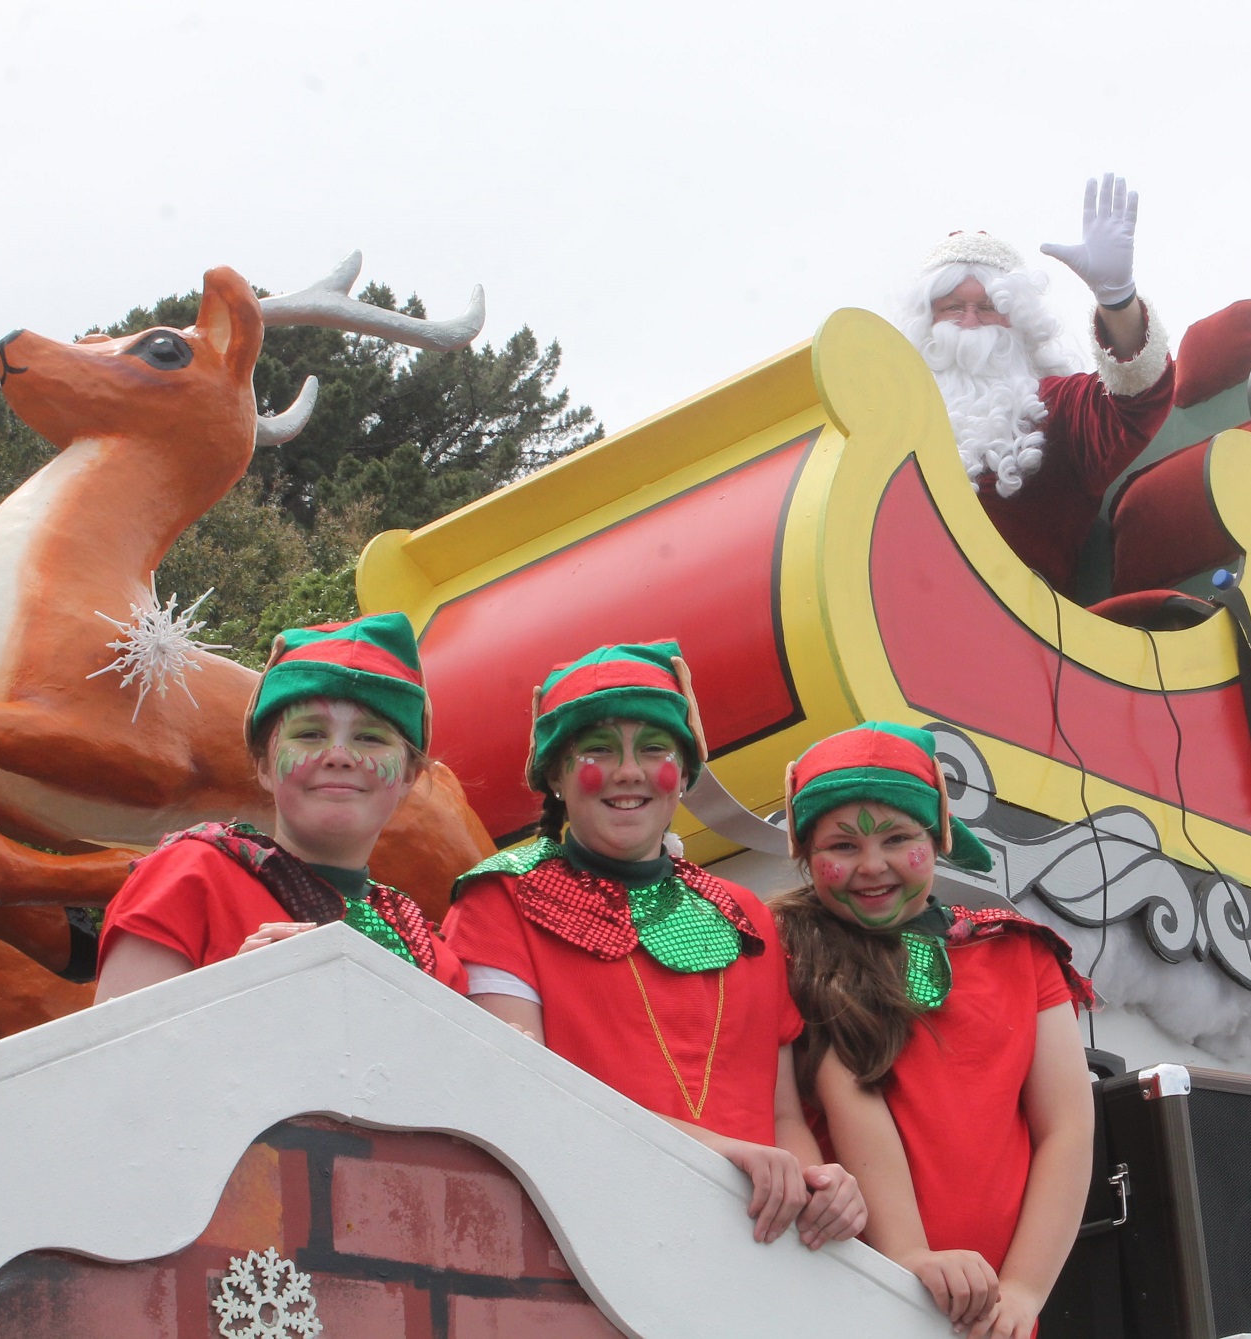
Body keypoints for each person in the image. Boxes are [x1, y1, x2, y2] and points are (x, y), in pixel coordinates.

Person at [443, 641, 865, 1250]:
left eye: (653, 749)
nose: (628, 771)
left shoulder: (744, 913)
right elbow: (520, 1092)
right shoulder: (499, 898)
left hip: (756, 1250)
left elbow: (783, 1117)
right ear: (556, 774)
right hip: (588, 1243)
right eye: (597, 750)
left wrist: (822, 1183)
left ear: (686, 772)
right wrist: (718, 1153)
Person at [771, 722, 1096, 1338]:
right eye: (841, 846)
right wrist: (907, 1263)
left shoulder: (1020, 952)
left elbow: (1068, 1129)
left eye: (898, 838)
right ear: (804, 852)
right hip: (849, 1296)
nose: (872, 866)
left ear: (939, 834)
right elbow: (843, 1097)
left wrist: (1024, 1290)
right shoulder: (787, 953)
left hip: (993, 1317)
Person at [95, 614, 467, 1001]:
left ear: (409, 776)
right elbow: (113, 1054)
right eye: (309, 733)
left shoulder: (434, 960)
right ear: (263, 766)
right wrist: (235, 998)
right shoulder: (185, 880)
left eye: (370, 738)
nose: (339, 755)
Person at [900, 172, 1176, 593]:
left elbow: (1137, 397)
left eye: (990, 307)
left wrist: (1117, 300)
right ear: (926, 323)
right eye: (953, 308)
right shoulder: (889, 419)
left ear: (1022, 322)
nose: (971, 323)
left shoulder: (1057, 406)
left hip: (1014, 637)